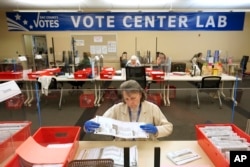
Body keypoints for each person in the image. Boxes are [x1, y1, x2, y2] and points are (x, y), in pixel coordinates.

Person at [84, 80, 173, 141]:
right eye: (126, 99)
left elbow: (168, 127)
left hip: (146, 144)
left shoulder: (152, 108)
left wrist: (156, 130)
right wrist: (88, 126)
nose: (130, 102)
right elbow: (102, 121)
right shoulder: (118, 108)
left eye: (133, 98)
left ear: (140, 94)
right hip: (123, 145)